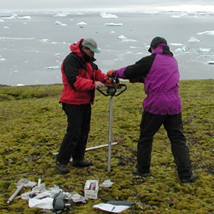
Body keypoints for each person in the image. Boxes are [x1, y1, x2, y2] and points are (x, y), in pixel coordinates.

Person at [107, 37, 197, 183]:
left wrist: (115, 73)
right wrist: (144, 79)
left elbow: (130, 71)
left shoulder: (151, 60)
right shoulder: (172, 61)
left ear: (153, 48)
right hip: (174, 104)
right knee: (178, 140)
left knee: (146, 138)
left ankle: (143, 170)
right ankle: (186, 174)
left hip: (156, 105)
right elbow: (161, 78)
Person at [56, 38, 108, 174]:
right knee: (73, 131)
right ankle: (61, 161)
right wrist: (92, 84)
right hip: (72, 102)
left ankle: (78, 159)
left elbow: (97, 74)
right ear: (84, 48)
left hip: (85, 102)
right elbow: (74, 81)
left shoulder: (88, 61)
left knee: (84, 131)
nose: (94, 54)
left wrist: (109, 80)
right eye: (92, 51)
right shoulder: (71, 60)